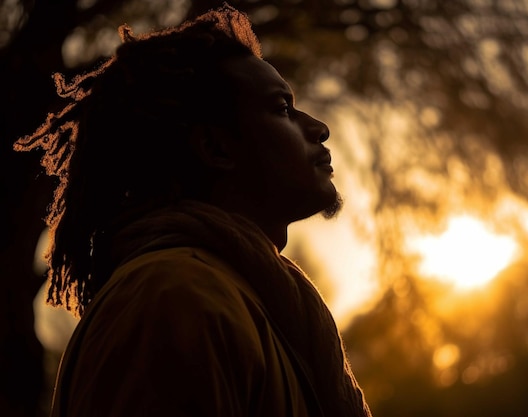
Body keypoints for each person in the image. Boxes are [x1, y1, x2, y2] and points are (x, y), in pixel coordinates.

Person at [14, 4, 372, 417]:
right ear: (217, 148)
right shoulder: (175, 297)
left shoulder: (243, 299)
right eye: (280, 109)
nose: (318, 128)